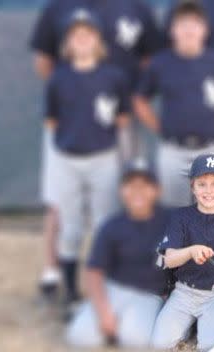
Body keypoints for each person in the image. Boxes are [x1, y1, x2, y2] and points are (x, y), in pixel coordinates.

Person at [30, 0, 161, 298]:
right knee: (58, 200)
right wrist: (76, 96)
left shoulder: (137, 8)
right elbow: (44, 62)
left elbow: (149, 60)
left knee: (124, 193)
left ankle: (123, 270)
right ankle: (53, 270)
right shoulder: (58, 8)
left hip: (119, 118)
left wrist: (121, 98)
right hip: (68, 122)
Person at [44, 10, 131, 307]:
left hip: (103, 157)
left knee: (104, 224)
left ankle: (105, 289)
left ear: (98, 41)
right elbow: (51, 121)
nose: (82, 39)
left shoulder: (113, 77)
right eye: (76, 34)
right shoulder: (59, 78)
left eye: (88, 33)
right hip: (67, 159)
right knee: (70, 226)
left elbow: (121, 119)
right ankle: (70, 291)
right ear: (68, 42)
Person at [134, 0, 214, 208]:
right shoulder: (161, 63)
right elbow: (140, 99)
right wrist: (160, 127)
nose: (189, 30)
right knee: (174, 213)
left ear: (205, 29)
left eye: (195, 23)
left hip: (211, 148)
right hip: (173, 149)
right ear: (172, 30)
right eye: (182, 24)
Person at [66, 160, 170, 348]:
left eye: (145, 185)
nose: (138, 191)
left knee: (133, 340)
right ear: (122, 191)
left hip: (149, 295)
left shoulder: (173, 221)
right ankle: (103, 321)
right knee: (81, 337)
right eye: (131, 185)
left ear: (157, 190)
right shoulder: (112, 225)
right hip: (115, 290)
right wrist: (104, 312)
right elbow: (94, 272)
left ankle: (124, 328)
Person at [152, 154, 214, 351]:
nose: (209, 191)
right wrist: (191, 251)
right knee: (158, 345)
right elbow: (169, 260)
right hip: (184, 293)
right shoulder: (180, 217)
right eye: (202, 184)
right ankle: (187, 329)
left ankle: (202, 328)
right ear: (192, 187)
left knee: (212, 347)